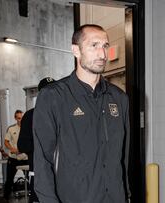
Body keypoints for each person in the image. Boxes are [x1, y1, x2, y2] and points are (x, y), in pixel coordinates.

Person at [33, 24, 131, 203]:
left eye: (105, 46)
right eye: (94, 45)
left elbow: (123, 158)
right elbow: (42, 160)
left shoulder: (119, 98)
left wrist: (127, 195)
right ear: (76, 50)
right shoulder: (54, 97)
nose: (102, 54)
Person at [17, 77, 56, 203]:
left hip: (61, 173)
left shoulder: (63, 113)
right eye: (47, 91)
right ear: (40, 94)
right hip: (40, 173)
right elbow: (22, 145)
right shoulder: (30, 116)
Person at [3, 110, 27, 200]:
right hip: (13, 158)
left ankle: (35, 197)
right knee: (9, 180)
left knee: (31, 177)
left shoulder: (28, 129)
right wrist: (12, 149)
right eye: (19, 118)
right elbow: (6, 141)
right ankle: (5, 198)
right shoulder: (11, 129)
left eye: (22, 118)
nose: (21, 120)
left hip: (25, 158)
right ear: (16, 118)